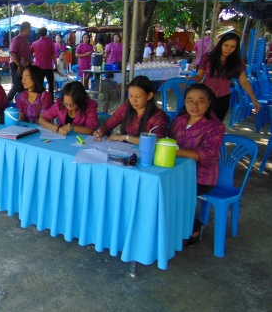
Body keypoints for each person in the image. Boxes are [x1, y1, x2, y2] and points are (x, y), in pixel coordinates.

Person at [169, 84, 225, 247]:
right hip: (176, 171)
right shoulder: (179, 120)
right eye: (190, 100)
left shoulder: (215, 126)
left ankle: (194, 227)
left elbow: (208, 153)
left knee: (170, 193)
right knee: (155, 188)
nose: (194, 105)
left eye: (200, 101)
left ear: (208, 103)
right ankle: (170, 226)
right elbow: (168, 140)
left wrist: (175, 151)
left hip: (201, 176)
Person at [188, 32, 260, 122]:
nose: (228, 49)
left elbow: (244, 81)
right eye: (226, 45)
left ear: (236, 48)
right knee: (199, 122)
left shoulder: (237, 62)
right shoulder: (207, 58)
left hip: (223, 98)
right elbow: (199, 76)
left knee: (216, 124)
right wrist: (189, 80)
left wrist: (253, 98)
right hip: (204, 96)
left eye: (232, 47)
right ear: (220, 44)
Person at [93, 76, 168, 144]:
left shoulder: (158, 116)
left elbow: (156, 141)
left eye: (138, 96)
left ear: (149, 96)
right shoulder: (125, 108)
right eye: (131, 96)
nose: (133, 100)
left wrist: (126, 137)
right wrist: (100, 131)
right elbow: (107, 125)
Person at [8, 21, 32, 102]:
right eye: (29, 30)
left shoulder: (26, 41)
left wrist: (30, 65)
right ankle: (7, 100)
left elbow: (28, 54)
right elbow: (13, 53)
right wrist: (19, 65)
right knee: (17, 85)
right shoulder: (16, 39)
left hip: (24, 65)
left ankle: (22, 103)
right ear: (25, 29)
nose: (30, 32)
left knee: (24, 85)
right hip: (16, 65)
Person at [31, 27, 58, 99]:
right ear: (46, 33)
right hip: (48, 66)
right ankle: (50, 100)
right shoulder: (51, 43)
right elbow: (53, 56)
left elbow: (29, 53)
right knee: (51, 85)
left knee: (39, 85)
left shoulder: (34, 43)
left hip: (38, 66)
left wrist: (31, 63)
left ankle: (40, 100)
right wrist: (56, 66)